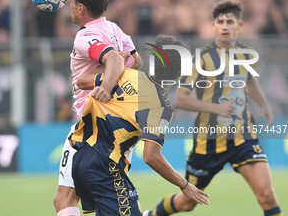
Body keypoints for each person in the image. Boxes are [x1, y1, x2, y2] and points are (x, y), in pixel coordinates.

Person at [143, 0, 283, 216]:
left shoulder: (246, 55)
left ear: (240, 25)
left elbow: (249, 80)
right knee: (186, 203)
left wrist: (263, 104)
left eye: (229, 21)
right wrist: (216, 109)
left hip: (242, 137)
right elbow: (180, 99)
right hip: (208, 142)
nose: (225, 26)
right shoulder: (202, 59)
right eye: (220, 22)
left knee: (267, 195)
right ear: (213, 26)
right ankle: (151, 215)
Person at [69, 35, 210, 216]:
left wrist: (114, 61)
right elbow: (151, 156)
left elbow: (81, 81)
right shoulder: (160, 105)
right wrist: (184, 184)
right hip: (106, 165)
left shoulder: (123, 74)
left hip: (81, 157)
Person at [53, 0, 142, 216]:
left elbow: (113, 58)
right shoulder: (113, 28)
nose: (69, 7)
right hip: (119, 130)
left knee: (65, 200)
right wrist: (117, 65)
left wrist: (105, 85)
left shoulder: (85, 36)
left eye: (71, 3)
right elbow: (137, 59)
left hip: (92, 129)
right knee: (108, 201)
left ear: (81, 7)